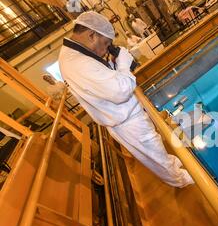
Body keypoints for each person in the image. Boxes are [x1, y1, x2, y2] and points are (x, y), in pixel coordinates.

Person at [58, 11, 194, 188]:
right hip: (127, 121)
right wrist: (122, 64)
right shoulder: (77, 63)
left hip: (126, 116)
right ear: (92, 35)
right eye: (106, 44)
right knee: (156, 155)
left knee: (157, 149)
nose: (106, 49)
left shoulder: (75, 55)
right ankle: (181, 181)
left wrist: (114, 65)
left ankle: (174, 166)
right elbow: (120, 91)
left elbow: (104, 82)